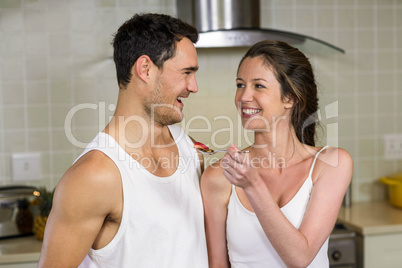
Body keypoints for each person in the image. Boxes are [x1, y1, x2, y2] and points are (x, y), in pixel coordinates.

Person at [38, 13, 208, 267]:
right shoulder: (94, 176)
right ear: (145, 69)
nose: (193, 86)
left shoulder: (190, 150)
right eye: (186, 72)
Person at [201, 40, 353, 267]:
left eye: (258, 86)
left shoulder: (331, 164)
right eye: (240, 84)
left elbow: (300, 258)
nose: (243, 97)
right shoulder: (218, 178)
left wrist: (253, 186)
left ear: (289, 98)